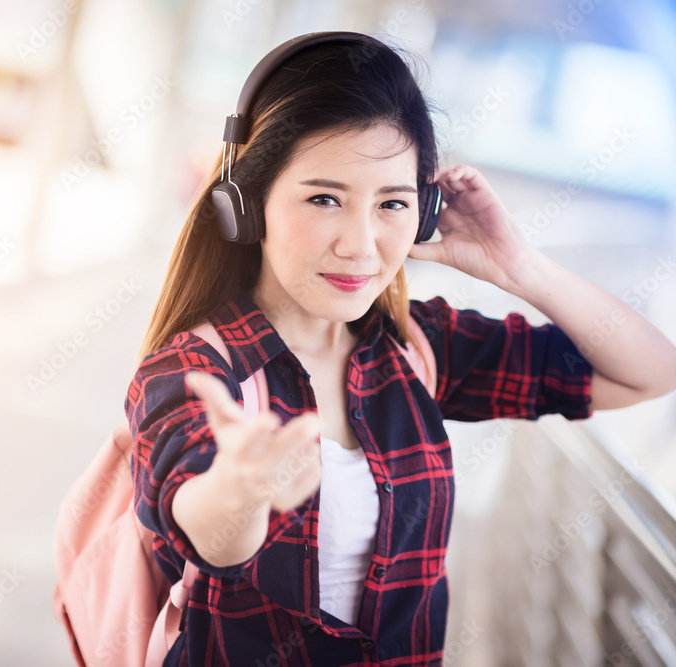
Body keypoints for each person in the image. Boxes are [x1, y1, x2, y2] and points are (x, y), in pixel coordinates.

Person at [123, 32, 676, 666]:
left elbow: (650, 372)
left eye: (392, 203)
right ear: (248, 203)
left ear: (426, 212)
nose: (361, 244)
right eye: (325, 198)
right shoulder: (194, 371)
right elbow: (210, 534)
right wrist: (244, 487)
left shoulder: (414, 346)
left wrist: (517, 265)